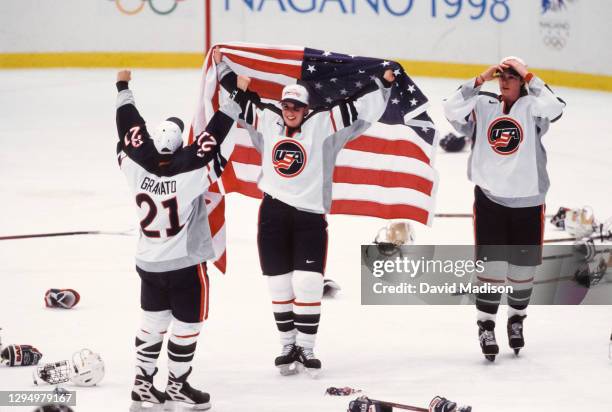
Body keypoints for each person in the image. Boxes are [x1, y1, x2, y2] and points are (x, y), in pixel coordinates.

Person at [213, 49, 394, 376]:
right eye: (286, 105)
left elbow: (364, 112)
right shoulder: (268, 121)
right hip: (272, 213)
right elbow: (239, 101)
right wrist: (221, 64)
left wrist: (383, 83)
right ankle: (287, 345)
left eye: (296, 106)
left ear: (306, 108)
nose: (290, 111)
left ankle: (307, 348)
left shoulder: (326, 125)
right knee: (279, 284)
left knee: (309, 283)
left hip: (310, 217)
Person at [115, 69, 246, 410]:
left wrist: (123, 88)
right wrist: (237, 100)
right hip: (184, 265)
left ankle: (142, 385)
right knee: (187, 325)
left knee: (152, 323)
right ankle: (177, 386)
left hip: (148, 264)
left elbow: (128, 130)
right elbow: (214, 141)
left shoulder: (134, 169)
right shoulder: (189, 174)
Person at [443, 57, 565, 361]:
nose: (504, 80)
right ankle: (486, 326)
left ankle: (516, 320)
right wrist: (480, 78)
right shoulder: (483, 104)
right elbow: (450, 109)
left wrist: (528, 74)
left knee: (522, 271)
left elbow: (556, 107)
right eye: (502, 75)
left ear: (523, 80)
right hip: (490, 199)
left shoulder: (534, 108)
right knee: (491, 269)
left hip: (528, 200)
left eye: (511, 76)